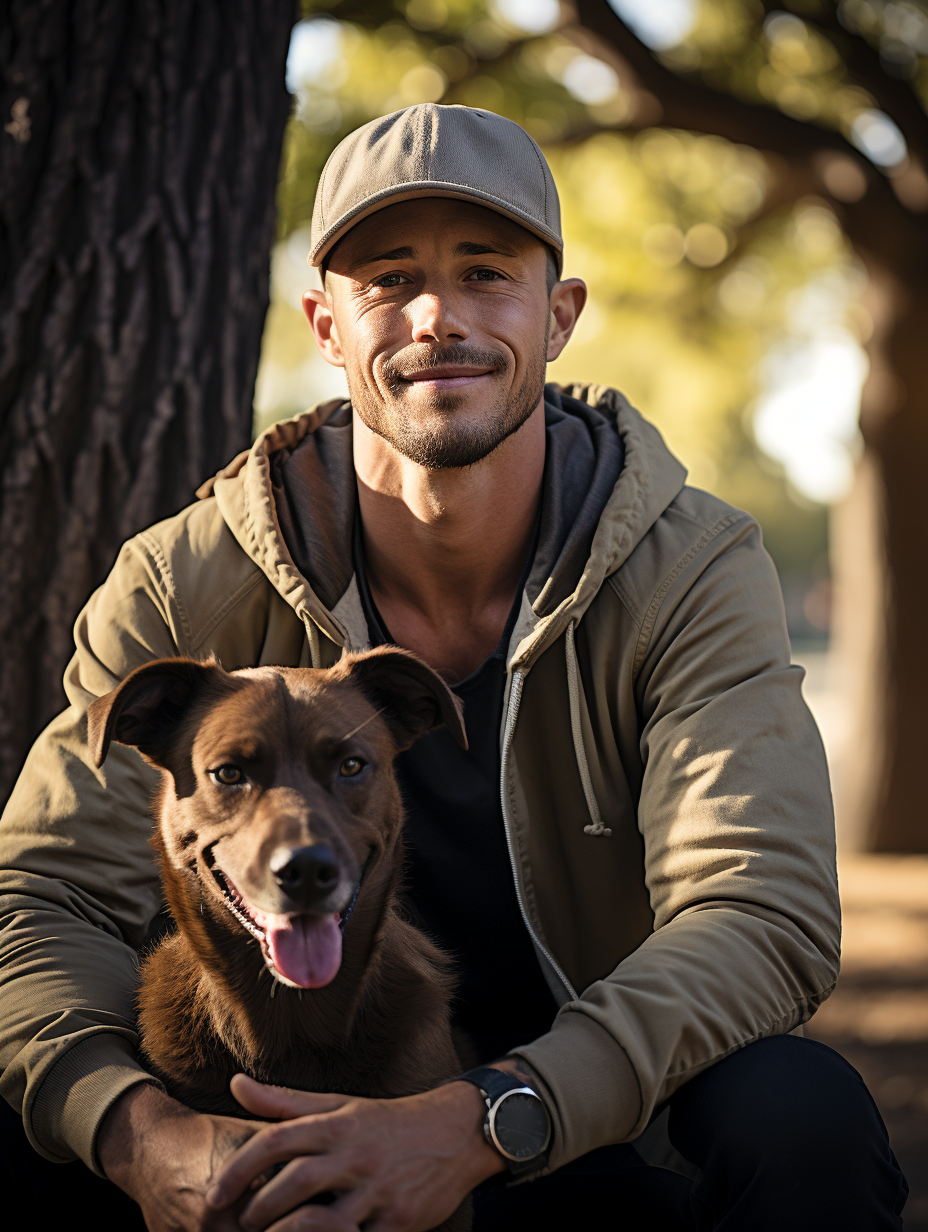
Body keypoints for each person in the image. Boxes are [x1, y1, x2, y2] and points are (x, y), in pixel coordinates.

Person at [0, 104, 906, 1231]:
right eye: (389, 279)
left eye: (487, 272)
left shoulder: (693, 568)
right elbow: (43, 891)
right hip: (248, 1116)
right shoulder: (187, 576)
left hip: (585, 1123)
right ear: (326, 325)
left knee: (801, 1113)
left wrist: (488, 1115)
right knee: (29, 1097)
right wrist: (139, 1132)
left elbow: (760, 909)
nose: (438, 317)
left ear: (558, 313)